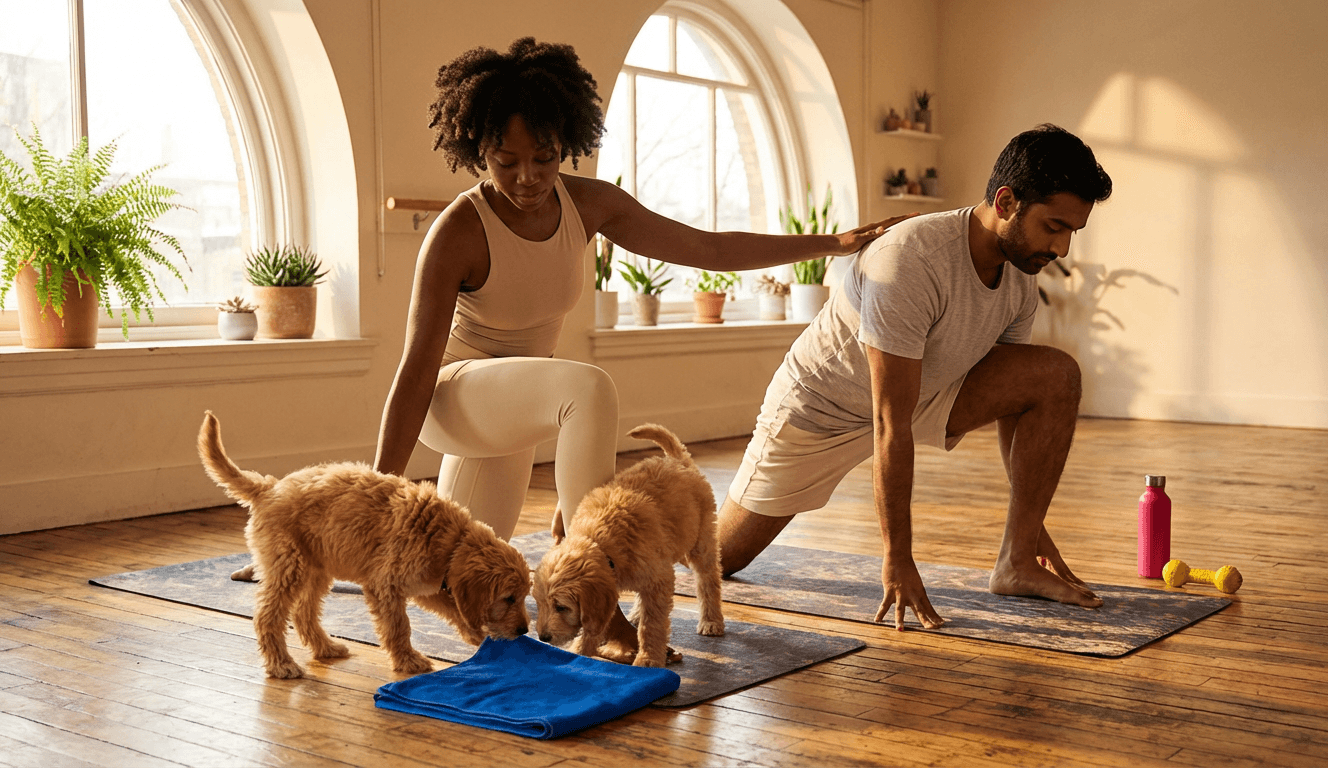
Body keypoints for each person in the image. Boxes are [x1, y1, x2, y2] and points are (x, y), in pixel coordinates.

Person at [292, 38, 904, 659]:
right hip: (456, 397)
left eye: (544, 157)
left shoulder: (589, 205)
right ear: (477, 150)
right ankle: (605, 601)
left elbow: (709, 248)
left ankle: (309, 568)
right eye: (506, 161)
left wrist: (833, 243)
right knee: (585, 387)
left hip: (519, 406)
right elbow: (416, 369)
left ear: (566, 142)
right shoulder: (457, 231)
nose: (528, 177)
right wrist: (375, 495)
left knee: (460, 572)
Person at [715, 124, 1113, 631]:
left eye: (1072, 232)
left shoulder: (1019, 275)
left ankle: (1016, 565)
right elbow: (890, 422)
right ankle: (649, 521)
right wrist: (897, 558)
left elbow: (1015, 398)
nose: (1062, 247)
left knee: (1055, 375)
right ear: (1006, 201)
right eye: (1054, 226)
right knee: (720, 560)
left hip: (927, 390)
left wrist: (1030, 529)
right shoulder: (911, 259)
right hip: (821, 410)